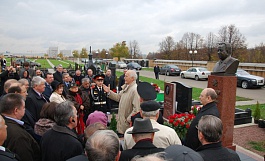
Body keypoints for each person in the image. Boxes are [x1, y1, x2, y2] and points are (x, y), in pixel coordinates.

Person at [0, 94, 41, 161]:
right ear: (16, 110)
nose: (25, 110)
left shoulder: (3, 123)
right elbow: (25, 156)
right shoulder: (18, 135)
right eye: (23, 107)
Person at [103, 70, 140, 135]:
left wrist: (127, 120)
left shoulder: (135, 90)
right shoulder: (126, 87)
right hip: (122, 124)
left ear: (132, 78)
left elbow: (136, 109)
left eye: (126, 76)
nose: (124, 78)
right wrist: (109, 92)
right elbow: (118, 97)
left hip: (127, 125)